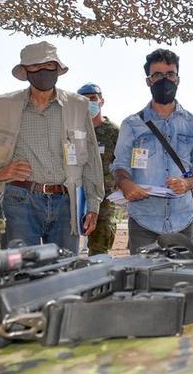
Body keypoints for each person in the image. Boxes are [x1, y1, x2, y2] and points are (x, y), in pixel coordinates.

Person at [0, 41, 104, 252]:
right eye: (35, 67)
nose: (43, 71)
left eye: (49, 66)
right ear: (25, 71)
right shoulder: (4, 105)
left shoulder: (77, 106)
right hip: (20, 202)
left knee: (65, 272)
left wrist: (93, 205)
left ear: (58, 69)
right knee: (21, 272)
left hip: (66, 203)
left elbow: (90, 160)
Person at [112, 49, 193, 253]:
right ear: (148, 81)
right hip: (144, 223)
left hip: (182, 221)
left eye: (170, 74)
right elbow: (120, 166)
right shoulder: (132, 124)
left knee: (185, 281)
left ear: (178, 79)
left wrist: (188, 183)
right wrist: (126, 183)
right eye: (157, 75)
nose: (164, 80)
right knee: (144, 281)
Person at [77, 82, 120, 255]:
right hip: (78, 196)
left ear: (101, 101)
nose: (89, 103)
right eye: (84, 100)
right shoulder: (73, 131)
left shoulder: (114, 133)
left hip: (105, 200)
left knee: (99, 250)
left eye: (93, 99)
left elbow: (125, 165)